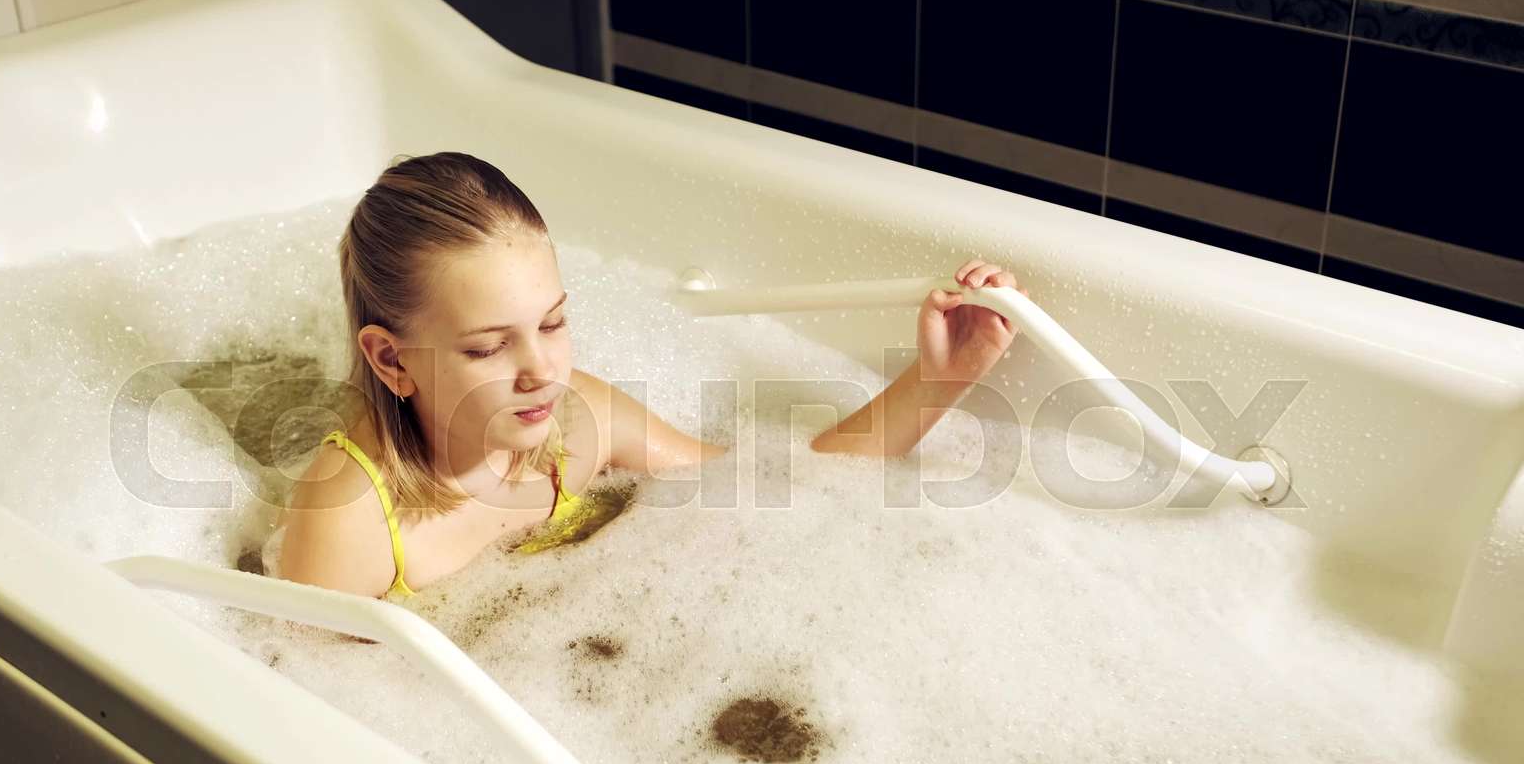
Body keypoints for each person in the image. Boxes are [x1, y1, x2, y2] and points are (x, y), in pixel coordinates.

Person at [275, 152, 1029, 600]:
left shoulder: (574, 423)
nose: (542, 370)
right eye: (487, 349)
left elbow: (774, 481)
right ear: (390, 358)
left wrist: (941, 379)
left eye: (553, 323)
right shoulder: (348, 525)